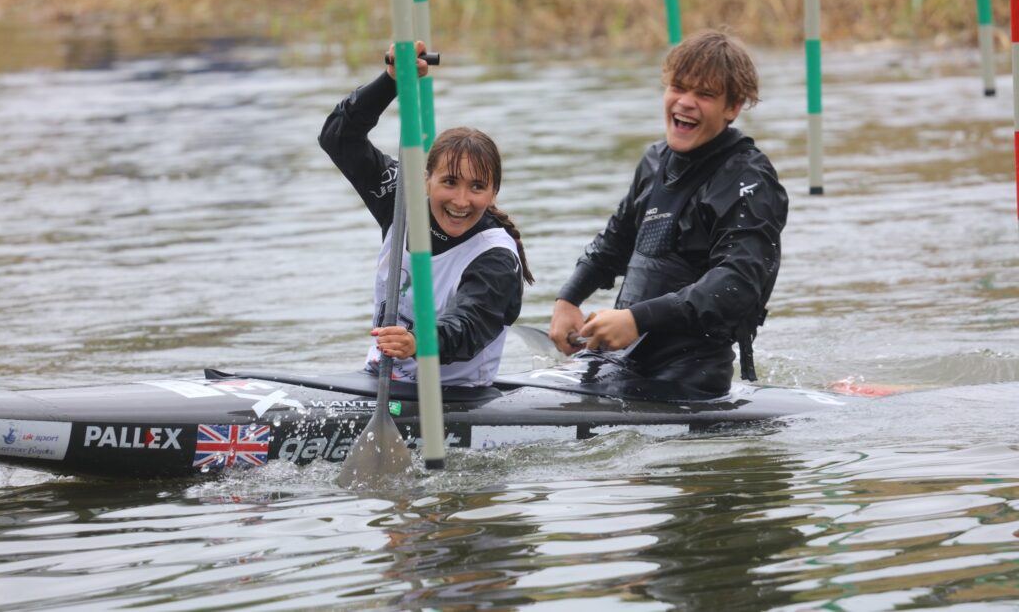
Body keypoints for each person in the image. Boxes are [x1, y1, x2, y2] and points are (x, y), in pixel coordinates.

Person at [548, 29, 788, 399]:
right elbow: (615, 242)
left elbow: (737, 284)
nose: (686, 102)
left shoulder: (749, 180)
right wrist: (568, 299)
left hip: (688, 379)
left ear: (733, 107)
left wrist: (636, 319)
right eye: (678, 87)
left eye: (705, 94)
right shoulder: (654, 161)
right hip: (618, 361)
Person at [319, 42, 534, 387]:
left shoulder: (496, 258)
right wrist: (390, 81)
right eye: (449, 182)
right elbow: (338, 138)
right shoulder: (401, 203)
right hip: (382, 381)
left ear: (493, 193)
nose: (461, 201)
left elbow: (469, 324)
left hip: (454, 397)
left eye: (477, 188)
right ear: (426, 179)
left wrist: (418, 342)